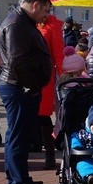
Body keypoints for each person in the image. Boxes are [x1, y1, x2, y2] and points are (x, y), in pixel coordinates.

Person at [0, 0, 53, 184]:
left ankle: (18, 179)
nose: (45, 16)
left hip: (18, 85)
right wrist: (32, 87)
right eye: (45, 11)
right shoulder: (17, 24)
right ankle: (19, 182)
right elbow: (18, 60)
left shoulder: (20, 21)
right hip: (19, 86)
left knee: (17, 134)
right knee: (19, 135)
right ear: (35, 5)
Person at [37, 13, 65, 170]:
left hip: (45, 77)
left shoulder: (53, 26)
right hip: (27, 75)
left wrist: (63, 77)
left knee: (42, 115)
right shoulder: (28, 23)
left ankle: (49, 154)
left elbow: (58, 53)